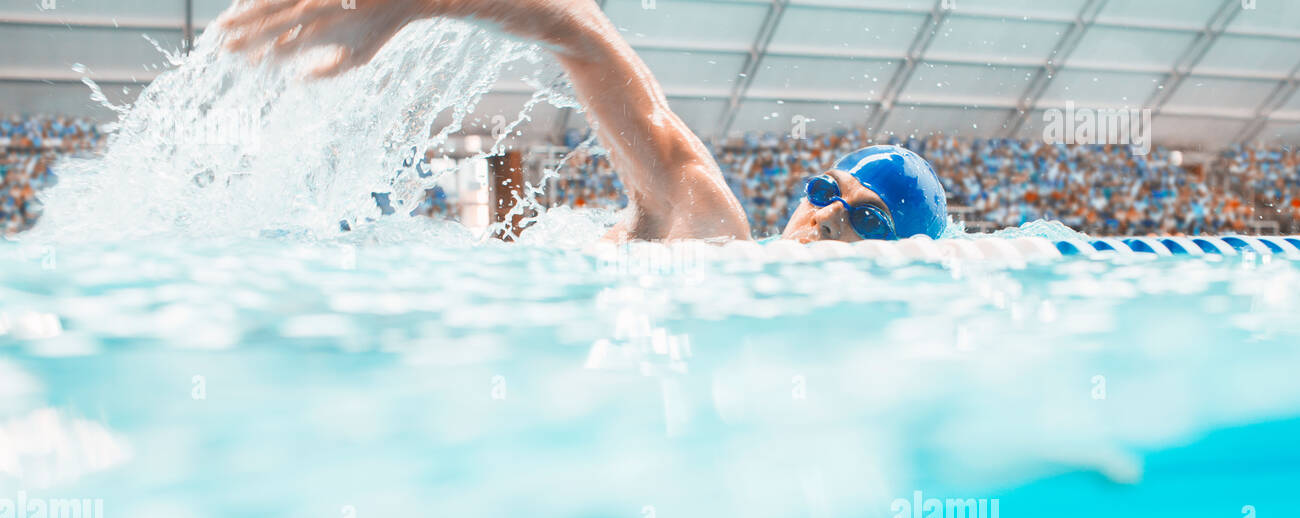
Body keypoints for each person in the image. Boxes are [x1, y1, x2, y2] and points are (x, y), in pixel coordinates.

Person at [218, 0, 947, 243]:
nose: (823, 216)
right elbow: (586, 34)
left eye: (871, 219)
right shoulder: (715, 232)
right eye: (825, 190)